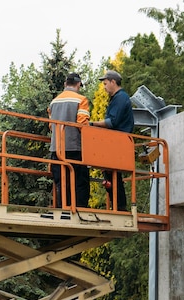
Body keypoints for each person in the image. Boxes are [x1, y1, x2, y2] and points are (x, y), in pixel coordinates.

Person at [90, 70, 134, 211]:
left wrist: (92, 124)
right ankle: (117, 206)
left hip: (118, 141)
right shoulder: (118, 98)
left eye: (105, 83)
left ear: (113, 82)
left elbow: (112, 122)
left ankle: (120, 207)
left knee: (113, 176)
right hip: (115, 141)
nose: (104, 87)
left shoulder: (120, 98)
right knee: (111, 177)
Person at [48, 73, 90, 208]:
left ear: (65, 84)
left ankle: (63, 209)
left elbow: (51, 125)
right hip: (74, 148)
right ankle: (80, 210)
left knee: (62, 183)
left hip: (56, 149)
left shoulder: (54, 102)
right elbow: (82, 124)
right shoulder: (81, 100)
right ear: (78, 84)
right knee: (79, 182)